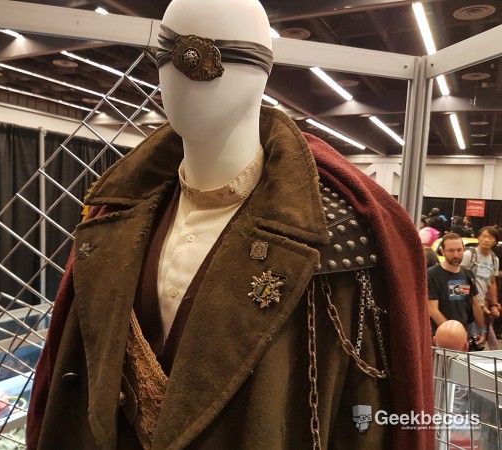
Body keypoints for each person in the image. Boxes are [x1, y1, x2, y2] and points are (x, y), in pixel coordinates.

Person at [26, 1, 433, 449]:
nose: (182, 76)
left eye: (200, 60)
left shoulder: (340, 238)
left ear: (261, 72)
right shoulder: (112, 214)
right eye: (168, 56)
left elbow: (364, 418)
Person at [427, 233, 485, 348]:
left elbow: (475, 304)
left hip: (464, 334)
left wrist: (482, 329)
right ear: (442, 251)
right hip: (440, 337)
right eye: (451, 251)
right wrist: (454, 335)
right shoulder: (431, 275)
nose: (456, 255)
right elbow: (432, 310)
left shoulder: (467, 273)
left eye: (459, 250)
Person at [461, 226, 500, 349]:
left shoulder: (494, 259)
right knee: (471, 338)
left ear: (495, 241)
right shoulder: (469, 255)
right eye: (484, 236)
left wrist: (494, 304)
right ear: (478, 237)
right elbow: (459, 276)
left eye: (490, 237)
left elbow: (492, 282)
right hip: (465, 304)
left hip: (480, 305)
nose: (486, 240)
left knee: (477, 340)